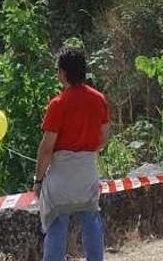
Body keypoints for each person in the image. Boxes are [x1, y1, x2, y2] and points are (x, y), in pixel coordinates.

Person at [33, 47, 109, 261]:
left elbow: (47, 148)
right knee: (91, 219)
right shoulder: (98, 99)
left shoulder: (58, 104)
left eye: (58, 70)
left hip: (62, 175)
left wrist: (38, 180)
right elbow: (104, 136)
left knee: (57, 223)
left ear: (64, 73)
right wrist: (86, 152)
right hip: (87, 169)